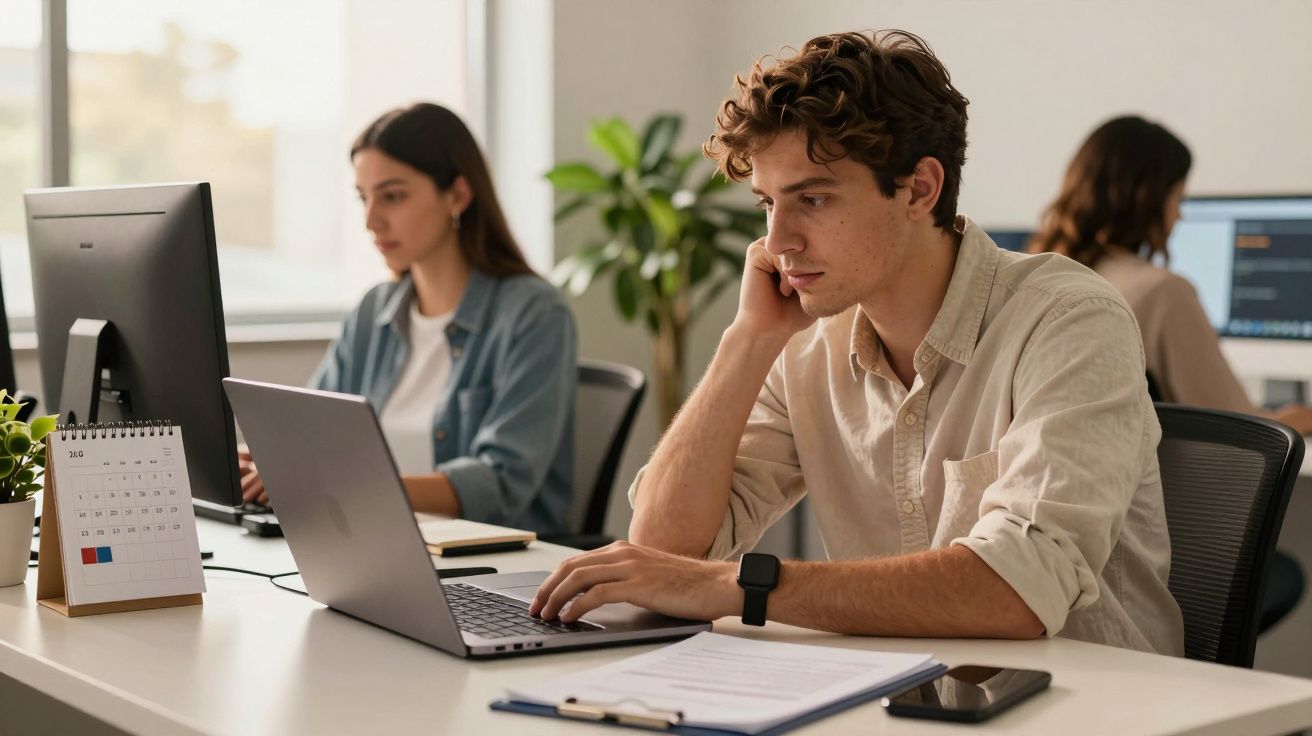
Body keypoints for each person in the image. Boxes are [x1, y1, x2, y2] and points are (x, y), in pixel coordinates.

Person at [528, 30, 1184, 655]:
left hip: (1090, 701)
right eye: (767, 204)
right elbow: (666, 551)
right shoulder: (805, 340)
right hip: (902, 692)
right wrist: (747, 339)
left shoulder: (1069, 319)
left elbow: (1019, 588)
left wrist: (736, 588)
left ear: (919, 189)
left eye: (811, 199)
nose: (777, 242)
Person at [239, 103, 577, 535]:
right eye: (364, 198)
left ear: (457, 194)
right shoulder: (373, 313)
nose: (371, 220)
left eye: (393, 196)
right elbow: (312, 436)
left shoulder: (535, 314)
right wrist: (263, 458)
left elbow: (502, 481)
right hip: (377, 539)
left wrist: (355, 487)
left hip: (494, 560)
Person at [1030, 115, 1312, 435]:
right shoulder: (1161, 291)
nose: (1179, 214)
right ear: (1147, 198)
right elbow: (1242, 427)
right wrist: (1299, 419)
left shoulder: (1038, 278)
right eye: (1177, 197)